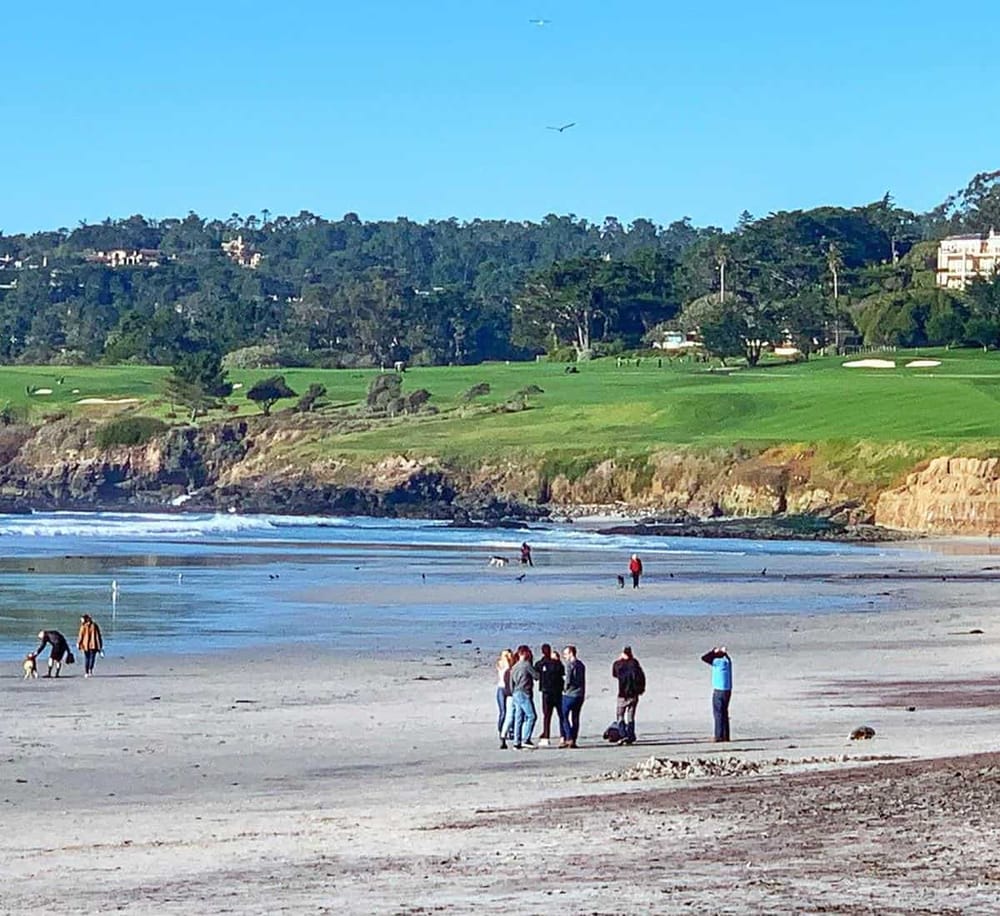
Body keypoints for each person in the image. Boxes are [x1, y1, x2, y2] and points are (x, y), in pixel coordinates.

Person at [611, 646, 646, 744]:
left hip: (623, 694)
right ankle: (630, 735)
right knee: (631, 716)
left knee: (620, 715)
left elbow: (614, 674)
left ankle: (623, 735)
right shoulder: (635, 664)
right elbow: (641, 676)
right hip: (634, 694)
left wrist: (620, 660)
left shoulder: (619, 664)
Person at [509, 645, 539, 749]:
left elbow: (511, 683)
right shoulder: (526, 665)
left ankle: (516, 742)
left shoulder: (514, 667)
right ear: (525, 653)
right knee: (532, 716)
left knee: (519, 718)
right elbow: (536, 676)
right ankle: (526, 739)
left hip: (516, 693)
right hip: (524, 693)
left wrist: (512, 693)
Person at [701, 646, 733, 742]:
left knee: (718, 713)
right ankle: (726, 736)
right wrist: (723, 652)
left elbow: (704, 658)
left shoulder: (718, 663)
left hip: (719, 690)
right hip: (727, 689)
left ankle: (719, 736)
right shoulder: (727, 662)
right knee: (724, 712)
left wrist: (714, 651)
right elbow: (726, 657)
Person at [535, 643, 564, 746]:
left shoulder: (540, 663)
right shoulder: (557, 664)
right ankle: (563, 736)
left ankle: (546, 737)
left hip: (546, 692)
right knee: (561, 715)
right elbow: (562, 673)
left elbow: (536, 675)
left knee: (547, 716)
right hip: (557, 692)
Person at [559, 645, 586, 748]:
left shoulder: (569, 665)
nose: (564, 656)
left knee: (564, 716)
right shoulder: (581, 665)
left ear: (571, 653)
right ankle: (573, 739)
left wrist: (564, 688)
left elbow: (568, 680)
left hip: (569, 695)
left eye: (565, 654)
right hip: (580, 694)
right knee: (575, 717)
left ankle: (569, 737)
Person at [495, 649, 516, 749]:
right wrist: (506, 659)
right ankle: (501, 730)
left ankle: (511, 730)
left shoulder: (513, 664)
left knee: (511, 711)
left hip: (509, 688)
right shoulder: (500, 663)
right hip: (501, 688)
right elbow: (506, 669)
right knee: (503, 711)